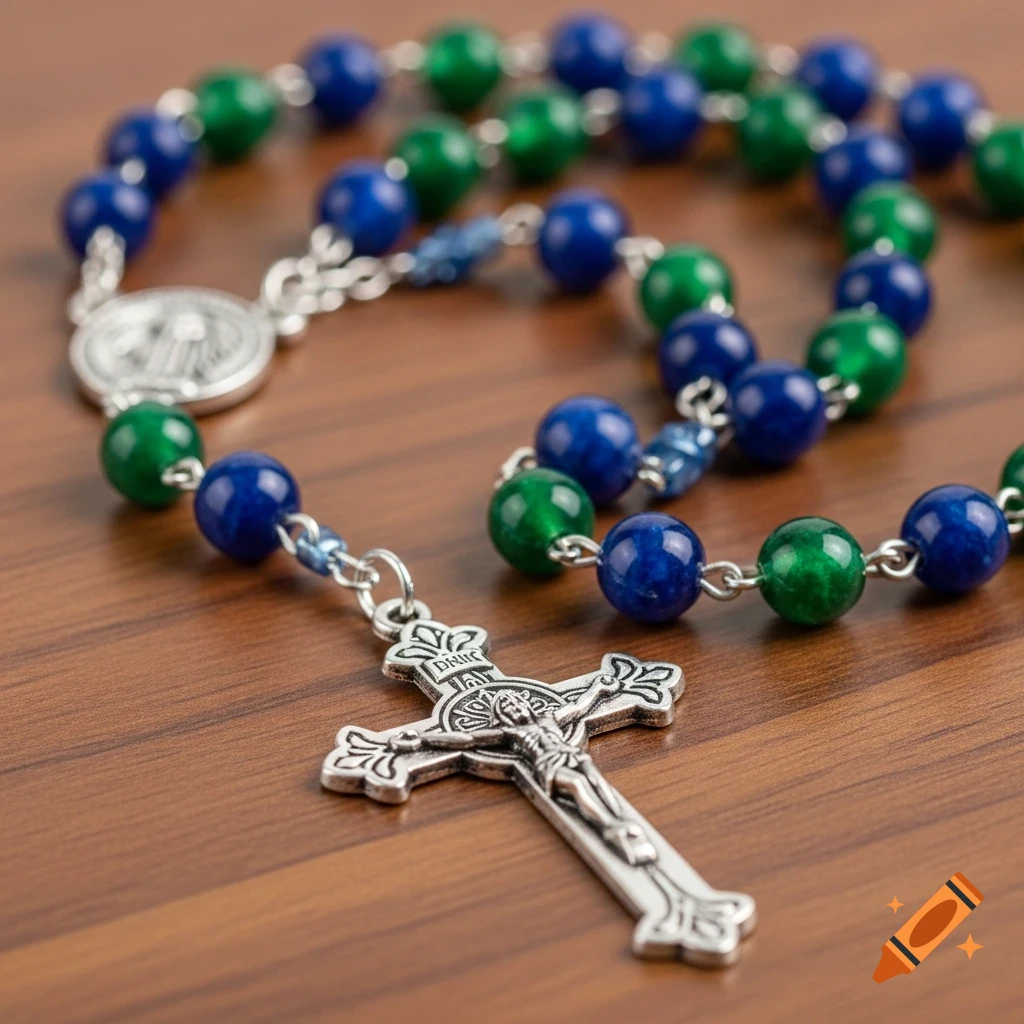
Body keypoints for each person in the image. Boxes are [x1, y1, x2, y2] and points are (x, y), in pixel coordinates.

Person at [388, 676, 656, 865]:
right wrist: (422, 741)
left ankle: (620, 820)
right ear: (500, 716)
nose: (514, 707)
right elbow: (466, 740)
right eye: (506, 707)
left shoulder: (549, 718)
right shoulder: (508, 733)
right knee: (576, 784)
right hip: (547, 766)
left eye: (516, 703)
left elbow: (578, 707)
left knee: (594, 778)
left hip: (570, 755)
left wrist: (599, 688)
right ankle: (609, 826)